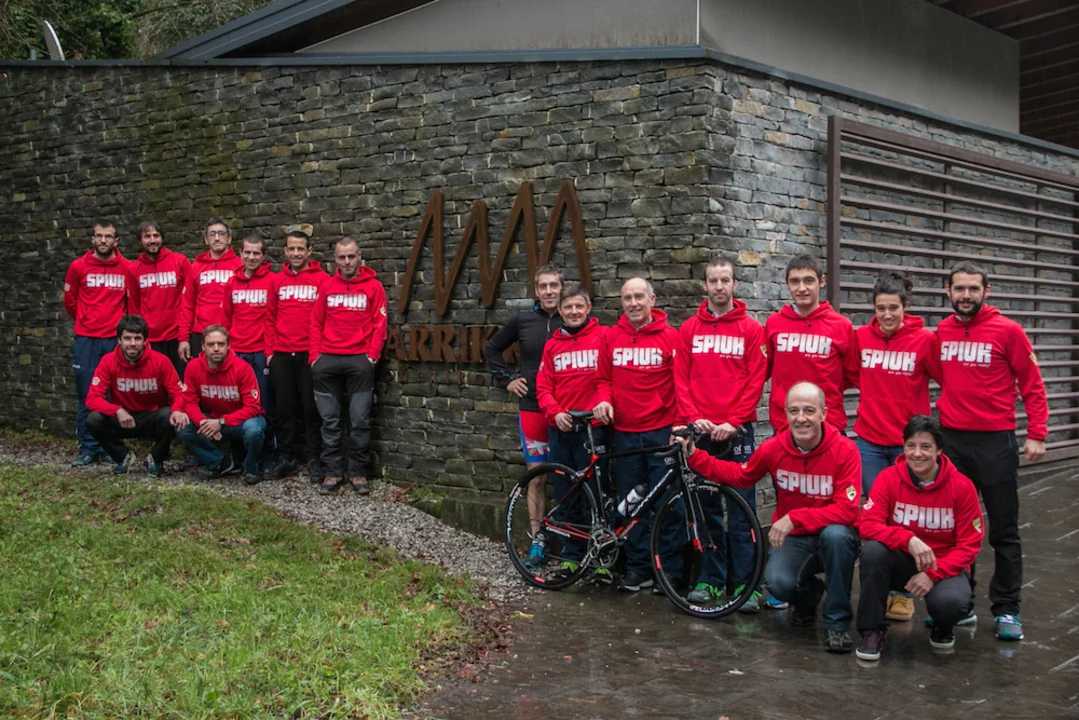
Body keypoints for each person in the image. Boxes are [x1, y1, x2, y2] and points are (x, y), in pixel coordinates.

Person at [677, 382, 861, 653]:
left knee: (837, 537)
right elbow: (741, 475)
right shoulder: (775, 448)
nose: (801, 418)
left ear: (824, 413)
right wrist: (695, 457)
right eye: (794, 411)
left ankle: (837, 625)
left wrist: (794, 518)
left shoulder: (845, 450)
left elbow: (847, 510)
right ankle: (808, 598)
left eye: (809, 410)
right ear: (785, 415)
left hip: (832, 536)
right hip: (795, 539)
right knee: (776, 584)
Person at [934, 260, 1048, 642]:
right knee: (953, 528)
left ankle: (1007, 608)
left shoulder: (1008, 331)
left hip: (995, 442)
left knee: (1004, 529)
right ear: (948, 292)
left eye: (973, 289)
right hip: (952, 441)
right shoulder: (942, 332)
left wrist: (1037, 433)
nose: (966, 295)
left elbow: (1032, 384)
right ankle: (961, 605)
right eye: (959, 289)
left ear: (986, 291)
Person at [674, 254, 768, 611]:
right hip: (700, 431)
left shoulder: (752, 330)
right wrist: (693, 417)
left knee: (742, 511)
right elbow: (680, 379)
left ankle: (748, 585)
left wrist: (734, 421)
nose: (718, 286)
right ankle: (711, 580)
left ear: (734, 284)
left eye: (725, 280)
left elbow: (756, 380)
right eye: (713, 280)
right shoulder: (688, 330)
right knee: (705, 509)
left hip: (737, 433)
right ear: (705, 285)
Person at [854, 415, 984, 661]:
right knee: (872, 552)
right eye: (910, 446)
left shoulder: (962, 486)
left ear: (939, 450)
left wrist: (933, 573)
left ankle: (942, 627)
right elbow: (868, 525)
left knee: (951, 603)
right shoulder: (888, 478)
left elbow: (970, 544)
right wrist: (907, 539)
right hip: (902, 560)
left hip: (943, 565)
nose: (917, 453)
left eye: (925, 446)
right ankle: (872, 630)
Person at [853, 270, 941, 623]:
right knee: (880, 517)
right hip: (870, 443)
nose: (887, 315)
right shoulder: (861, 337)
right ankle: (882, 590)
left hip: (909, 447)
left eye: (893, 308)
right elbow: (850, 373)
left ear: (905, 307)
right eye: (880, 308)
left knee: (908, 517)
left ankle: (903, 594)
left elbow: (945, 378)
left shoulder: (925, 340)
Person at [593, 277, 683, 594]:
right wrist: (604, 400)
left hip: (661, 433)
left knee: (669, 506)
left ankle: (670, 572)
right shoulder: (611, 337)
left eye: (639, 297)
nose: (633, 303)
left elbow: (681, 385)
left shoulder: (671, 338)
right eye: (627, 298)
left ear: (652, 300)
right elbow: (603, 379)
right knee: (631, 505)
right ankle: (637, 568)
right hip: (625, 435)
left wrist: (679, 425)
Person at [485, 264, 564, 567]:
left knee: (571, 477)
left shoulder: (572, 317)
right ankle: (537, 541)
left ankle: (573, 543)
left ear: (562, 287)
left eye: (554, 285)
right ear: (536, 291)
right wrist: (507, 380)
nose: (549, 291)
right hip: (533, 408)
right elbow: (492, 348)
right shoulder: (523, 320)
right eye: (543, 286)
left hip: (567, 410)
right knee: (537, 478)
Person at [535, 282, 610, 583]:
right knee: (566, 495)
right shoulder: (552, 345)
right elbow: (543, 387)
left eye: (579, 306)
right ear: (560, 311)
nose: (574, 311)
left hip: (594, 431)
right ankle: (571, 557)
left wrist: (602, 403)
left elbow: (608, 380)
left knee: (600, 495)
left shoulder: (604, 337)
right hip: (561, 430)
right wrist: (555, 413)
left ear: (588, 308)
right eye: (569, 307)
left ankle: (603, 558)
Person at [310, 237, 387, 496]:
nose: (347, 262)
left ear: (359, 256)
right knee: (329, 422)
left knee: (359, 420)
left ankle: (357, 472)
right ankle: (332, 472)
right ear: (335, 259)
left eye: (351, 256)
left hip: (359, 361)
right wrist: (315, 358)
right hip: (327, 361)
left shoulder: (374, 287)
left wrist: (371, 357)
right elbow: (315, 322)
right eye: (342, 257)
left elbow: (380, 324)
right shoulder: (326, 286)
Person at [765, 254, 858, 433]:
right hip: (785, 424)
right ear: (787, 285)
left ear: (821, 281)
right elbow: (763, 369)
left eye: (808, 281)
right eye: (795, 281)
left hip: (829, 424)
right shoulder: (774, 323)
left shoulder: (841, 325)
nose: (802, 288)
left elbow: (851, 374)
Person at [85, 315, 187, 477]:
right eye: (127, 338)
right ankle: (122, 456)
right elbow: (92, 399)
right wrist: (116, 410)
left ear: (145, 340)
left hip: (151, 418)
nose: (132, 343)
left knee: (171, 414)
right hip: (123, 418)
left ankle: (156, 459)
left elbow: (179, 394)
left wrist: (177, 410)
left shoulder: (161, 361)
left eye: (137, 338)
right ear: (119, 340)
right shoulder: (108, 361)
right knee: (93, 419)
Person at [267, 224, 330, 483]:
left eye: (300, 249)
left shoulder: (322, 279)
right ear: (285, 251)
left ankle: (315, 458)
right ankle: (286, 458)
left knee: (311, 409)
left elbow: (327, 318)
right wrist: (269, 352)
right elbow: (269, 318)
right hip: (282, 353)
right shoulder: (276, 280)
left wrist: (318, 353)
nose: (296, 253)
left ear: (309, 251)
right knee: (284, 409)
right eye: (291, 249)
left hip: (310, 353)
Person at [64, 220, 130, 466]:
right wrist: (88, 321)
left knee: (114, 395)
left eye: (108, 236)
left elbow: (131, 303)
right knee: (87, 395)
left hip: (114, 341)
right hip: (87, 340)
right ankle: (88, 448)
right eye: (99, 236)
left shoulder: (127, 268)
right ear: (92, 239)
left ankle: (109, 447)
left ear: (116, 240)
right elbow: (70, 302)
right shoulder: (78, 267)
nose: (104, 240)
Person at [178, 325, 266, 485]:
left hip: (240, 422)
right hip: (212, 419)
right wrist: (202, 422)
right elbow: (189, 401)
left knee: (254, 429)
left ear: (229, 346)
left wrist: (222, 422)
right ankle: (220, 463)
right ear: (203, 347)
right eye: (211, 344)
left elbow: (253, 407)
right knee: (183, 426)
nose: (216, 348)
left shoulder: (242, 368)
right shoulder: (193, 367)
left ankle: (251, 469)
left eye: (221, 344)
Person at [222, 233, 277, 467]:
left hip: (261, 353)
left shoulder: (273, 281)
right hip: (237, 352)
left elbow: (275, 318)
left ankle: (267, 456)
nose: (252, 257)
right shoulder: (231, 283)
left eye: (256, 253)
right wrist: (227, 350)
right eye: (247, 252)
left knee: (265, 406)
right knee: (236, 404)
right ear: (240, 253)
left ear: (264, 256)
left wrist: (270, 351)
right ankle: (240, 456)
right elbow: (226, 318)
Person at [125, 220, 191, 376]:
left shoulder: (180, 262)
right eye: (147, 236)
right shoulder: (133, 269)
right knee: (155, 383)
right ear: (140, 241)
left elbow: (188, 301)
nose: (152, 240)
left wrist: (184, 336)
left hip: (177, 336)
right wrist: (140, 337)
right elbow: (134, 307)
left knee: (182, 382)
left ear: (162, 238)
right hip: (151, 339)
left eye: (156, 235)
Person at [178, 218, 243, 363]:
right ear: (206, 240)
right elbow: (187, 305)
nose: (217, 238)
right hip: (201, 333)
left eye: (221, 233)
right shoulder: (195, 267)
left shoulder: (240, 266)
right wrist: (183, 338)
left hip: (231, 335)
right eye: (212, 234)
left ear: (229, 238)